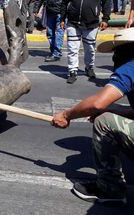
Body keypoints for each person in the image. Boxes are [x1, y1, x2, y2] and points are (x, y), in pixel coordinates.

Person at [51, 27, 134, 204]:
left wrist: (67, 115)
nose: (113, 59)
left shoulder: (131, 66)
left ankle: (110, 188)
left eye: (116, 52)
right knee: (111, 112)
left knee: (103, 122)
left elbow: (98, 103)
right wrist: (113, 110)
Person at [61, 0, 110, 84]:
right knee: (72, 49)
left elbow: (106, 2)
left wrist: (105, 18)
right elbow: (65, 1)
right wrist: (62, 18)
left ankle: (89, 67)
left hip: (91, 23)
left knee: (89, 48)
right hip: (73, 22)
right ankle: (72, 71)